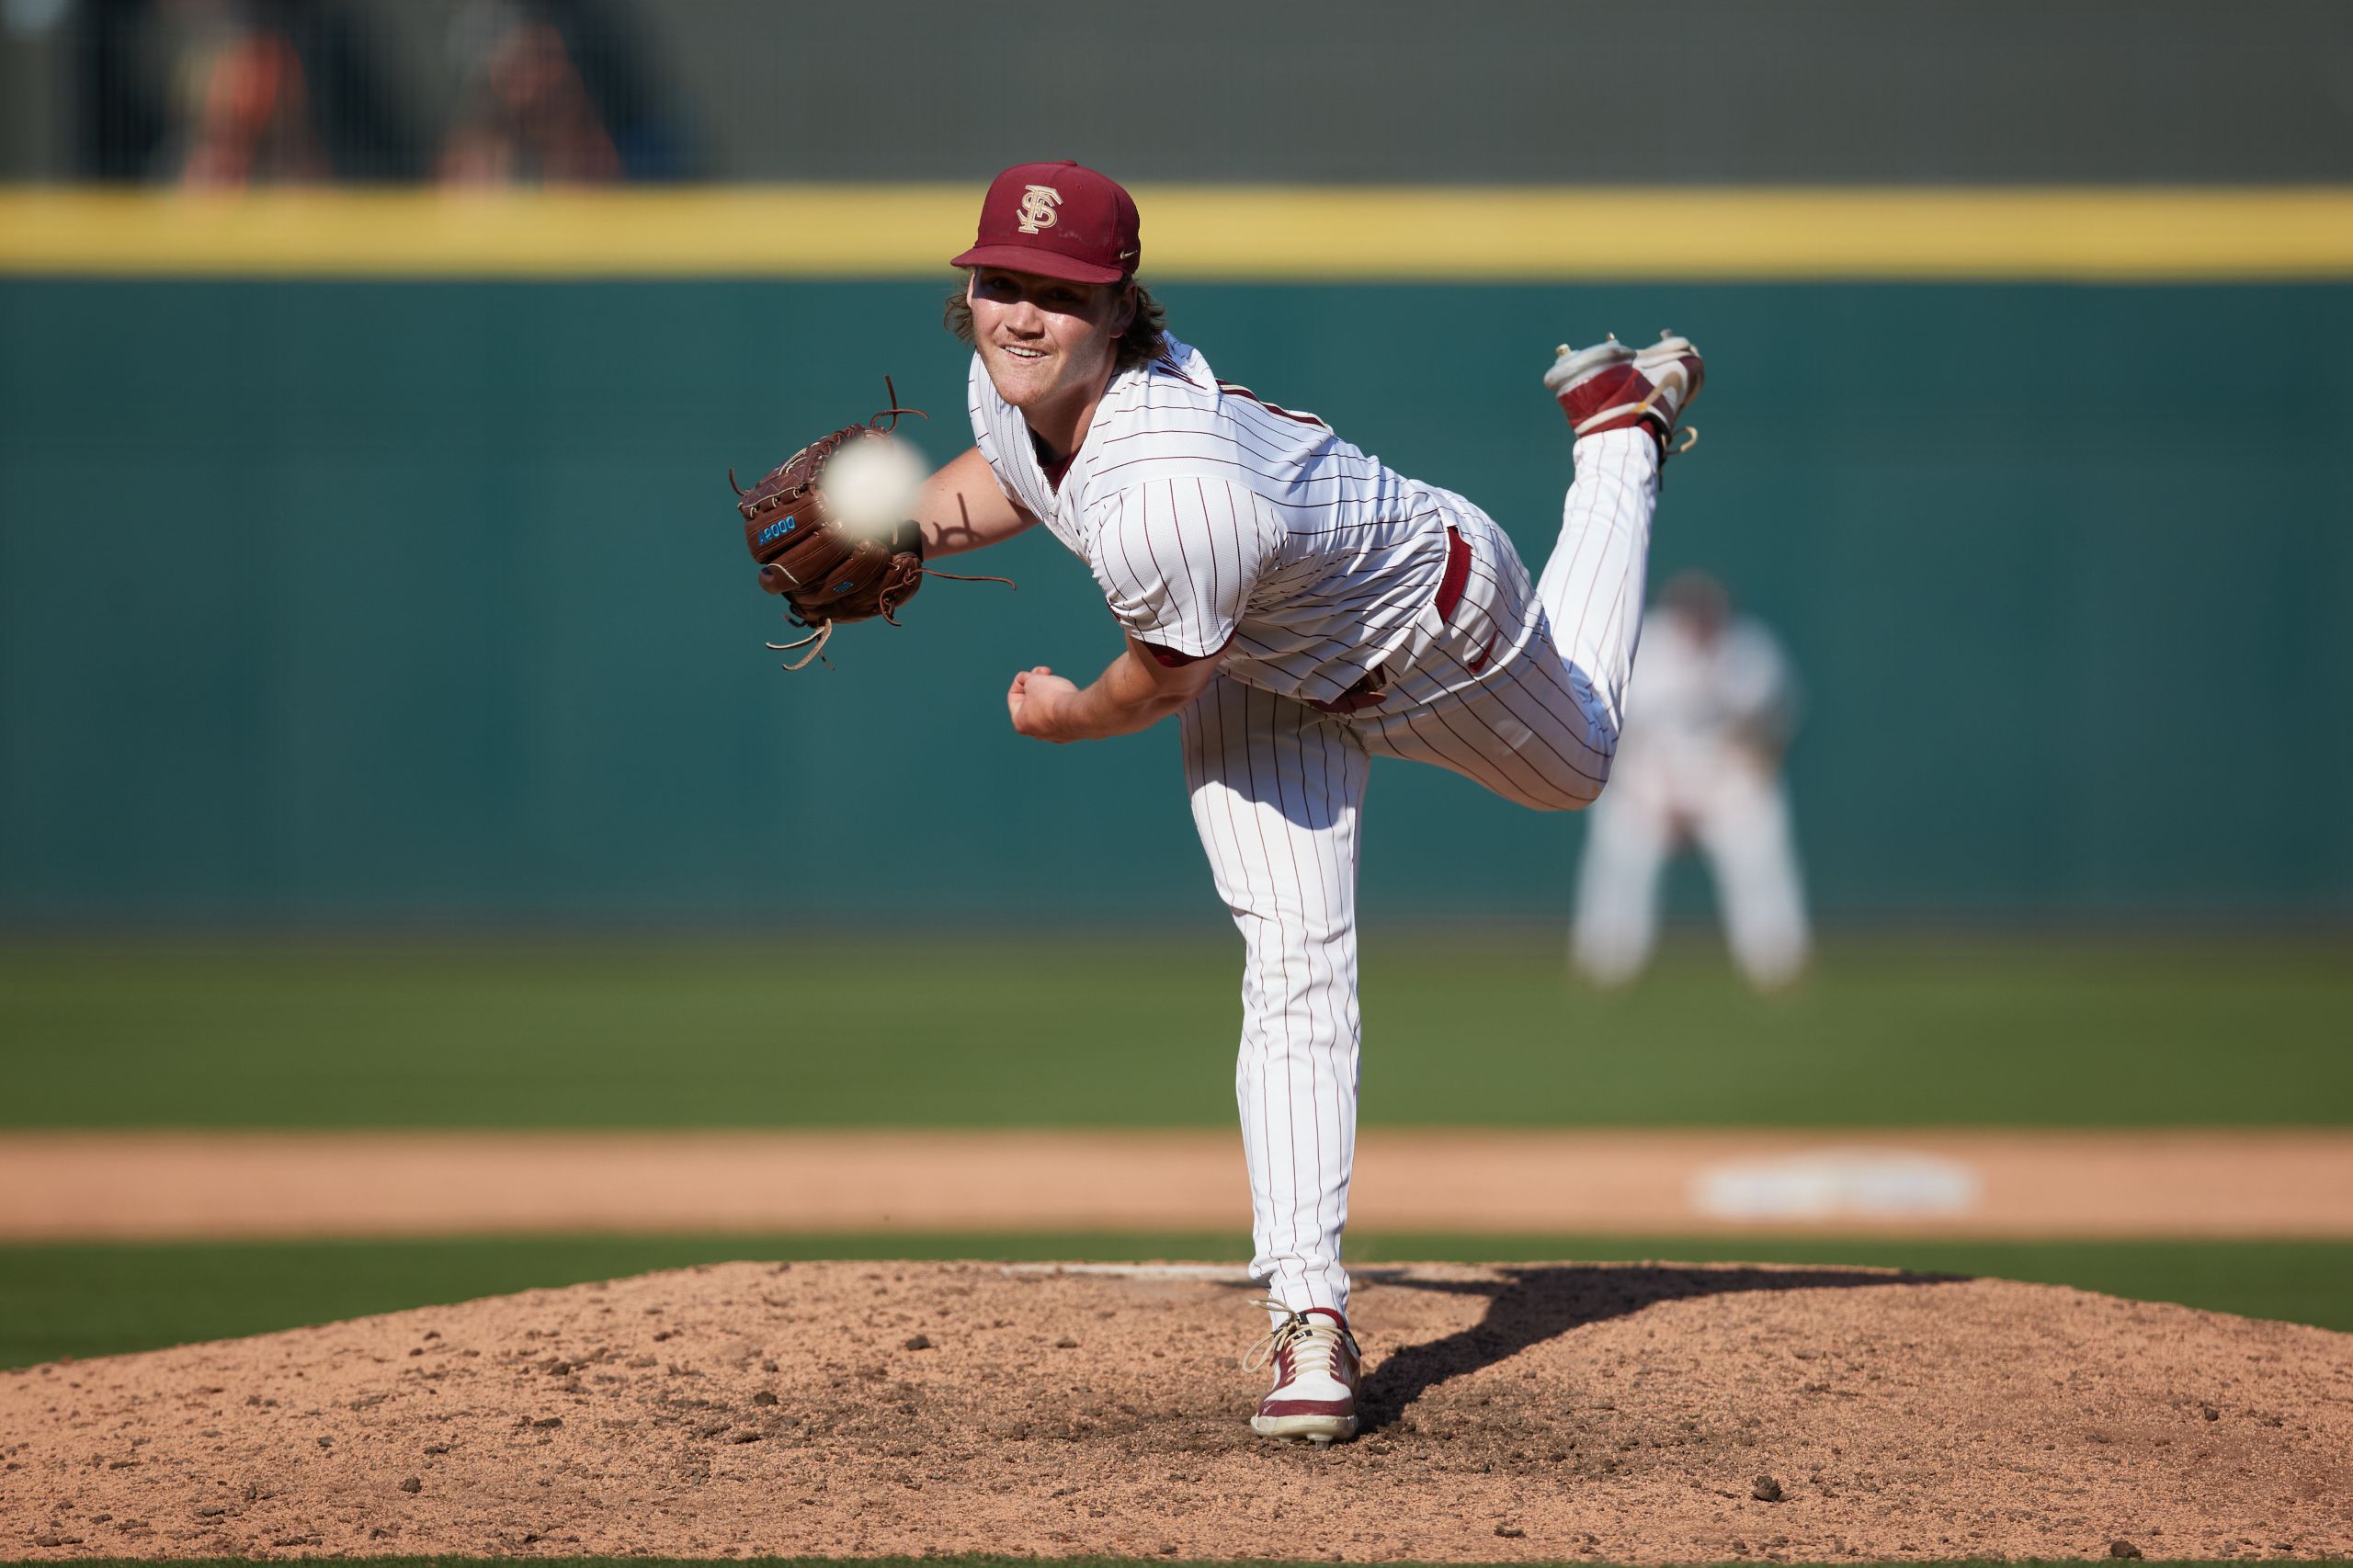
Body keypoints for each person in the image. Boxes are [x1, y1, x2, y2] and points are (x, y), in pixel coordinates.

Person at [904, 161, 1704, 1445]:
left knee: (1587, 763)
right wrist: (905, 525)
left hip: (1434, 630)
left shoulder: (1173, 488)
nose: (1017, 314)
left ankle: (1615, 438)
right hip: (1265, 669)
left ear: (1119, 308)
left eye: (1054, 294)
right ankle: (1309, 1318)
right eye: (999, 283)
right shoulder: (1011, 382)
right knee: (1294, 963)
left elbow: (1153, 683)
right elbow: (1015, 475)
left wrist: (1059, 716)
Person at [1569, 571, 1810, 992]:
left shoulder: (1750, 653)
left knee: (1759, 828)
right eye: (1692, 617)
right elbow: (1624, 739)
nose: (1700, 627)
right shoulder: (1646, 649)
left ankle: (1776, 960)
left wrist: (1732, 778)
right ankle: (1606, 961)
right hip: (1651, 781)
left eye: (1708, 618)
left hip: (1727, 781)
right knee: (1620, 832)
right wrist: (1661, 799)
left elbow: (1771, 733)